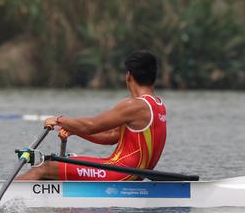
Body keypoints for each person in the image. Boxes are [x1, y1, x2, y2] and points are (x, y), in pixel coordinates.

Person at [19, 49, 166, 181]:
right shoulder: (158, 105)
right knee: (59, 167)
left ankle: (4, 196)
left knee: (45, 167)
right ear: (153, 76)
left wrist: (58, 120)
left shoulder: (134, 106)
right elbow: (111, 137)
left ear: (128, 76)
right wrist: (74, 130)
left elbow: (91, 126)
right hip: (133, 174)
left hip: (120, 172)